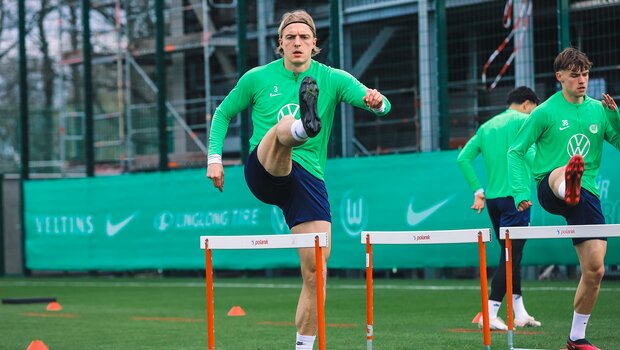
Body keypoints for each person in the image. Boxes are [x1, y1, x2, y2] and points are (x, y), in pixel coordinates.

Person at [206, 10, 391, 350]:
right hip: (265, 169)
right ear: (280, 44)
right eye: (290, 37)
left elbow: (383, 106)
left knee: (316, 272)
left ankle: (303, 348)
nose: (297, 42)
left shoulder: (332, 78)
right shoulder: (257, 78)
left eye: (304, 37)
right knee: (281, 130)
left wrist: (377, 103)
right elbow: (223, 113)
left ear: (314, 44)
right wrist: (214, 159)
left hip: (308, 180)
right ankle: (302, 127)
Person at [508, 47, 619, 350]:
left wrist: (616, 119)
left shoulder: (600, 109)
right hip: (550, 188)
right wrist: (520, 192)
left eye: (585, 74)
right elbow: (516, 151)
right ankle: (568, 181)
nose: (582, 80)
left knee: (595, 270)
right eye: (575, 76)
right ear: (560, 77)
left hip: (587, 195)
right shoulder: (544, 111)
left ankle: (576, 338)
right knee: (565, 170)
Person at [457, 86, 541, 331]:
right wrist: (551, 177)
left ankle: (520, 312)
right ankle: (490, 311)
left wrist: (478, 190)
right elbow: (531, 155)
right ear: (527, 104)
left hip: (494, 201)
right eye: (535, 108)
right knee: (510, 256)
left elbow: (462, 158)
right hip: (517, 198)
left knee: (512, 256)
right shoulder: (525, 121)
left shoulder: (487, 126)